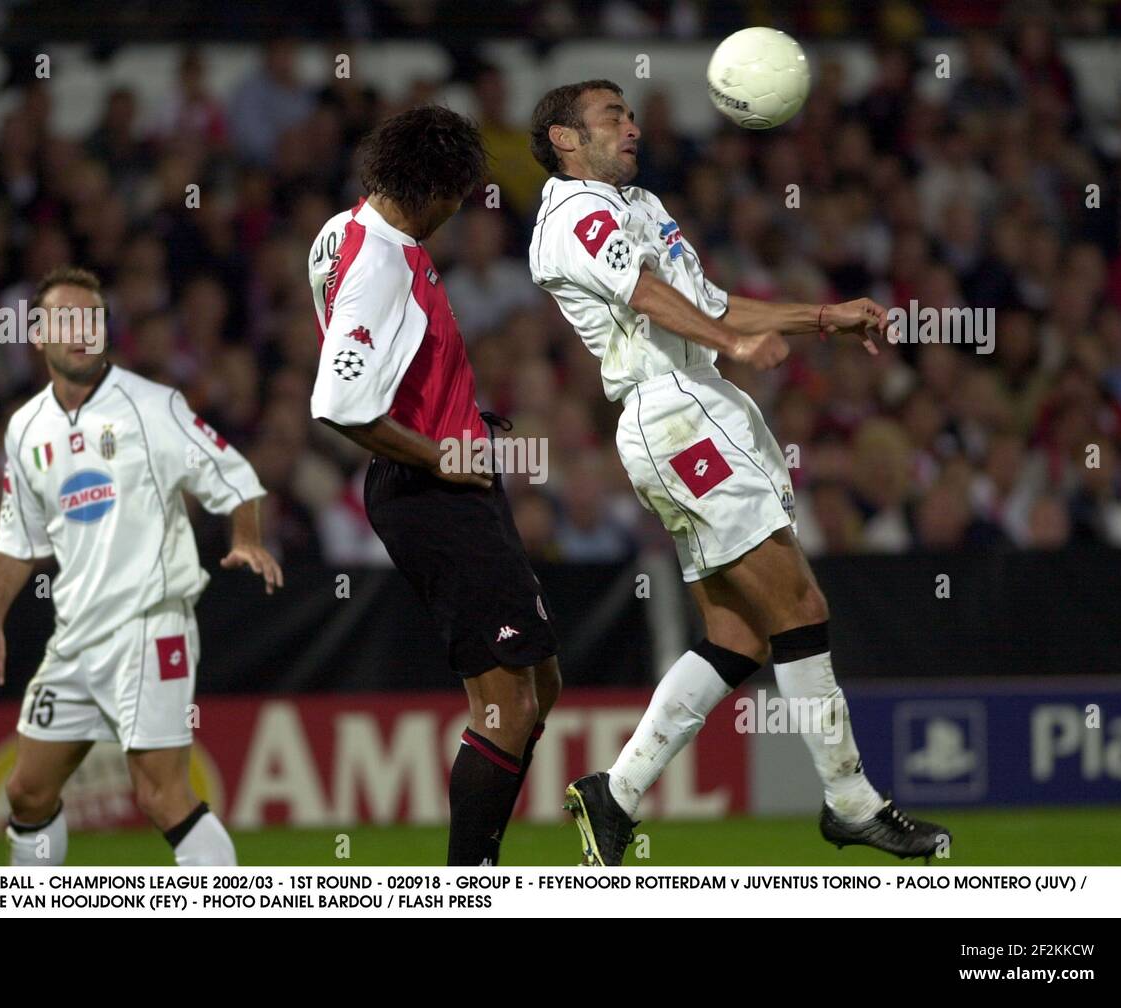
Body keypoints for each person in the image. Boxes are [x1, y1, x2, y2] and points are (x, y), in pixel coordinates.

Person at [527, 80, 950, 865]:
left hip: (701, 404)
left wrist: (823, 317)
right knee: (798, 599)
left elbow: (712, 300)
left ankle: (613, 795)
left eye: (630, 113)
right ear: (562, 138)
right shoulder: (573, 213)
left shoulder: (641, 206)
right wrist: (731, 344)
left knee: (740, 632)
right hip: (674, 411)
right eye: (611, 116)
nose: (631, 125)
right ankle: (850, 801)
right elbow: (648, 295)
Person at [307, 106, 561, 866]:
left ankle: (475, 863)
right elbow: (338, 403)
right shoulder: (380, 265)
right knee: (506, 703)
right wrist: (439, 452)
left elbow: (398, 363)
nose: (460, 210)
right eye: (460, 194)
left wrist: (460, 417)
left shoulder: (339, 230)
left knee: (538, 683)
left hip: (449, 476)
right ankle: (466, 884)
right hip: (432, 493)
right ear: (436, 191)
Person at [0, 266, 279, 866]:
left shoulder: (152, 406)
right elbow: (17, 537)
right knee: (26, 791)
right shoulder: (25, 428)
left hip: (148, 626)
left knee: (161, 795)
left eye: (94, 319)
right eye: (68, 320)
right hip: (76, 637)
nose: (84, 332)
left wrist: (247, 536)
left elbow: (235, 477)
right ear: (39, 334)